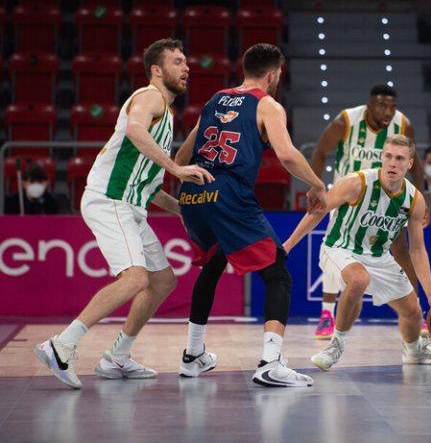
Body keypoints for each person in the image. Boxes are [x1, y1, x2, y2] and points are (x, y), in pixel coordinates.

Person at [34, 38, 214, 389]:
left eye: (186, 61)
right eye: (178, 62)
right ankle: (61, 346)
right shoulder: (150, 97)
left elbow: (146, 183)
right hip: (109, 199)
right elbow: (134, 130)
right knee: (134, 279)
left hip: (130, 204)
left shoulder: (167, 116)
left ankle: (117, 357)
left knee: (162, 281)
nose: (186, 67)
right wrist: (177, 170)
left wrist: (181, 210)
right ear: (157, 70)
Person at [175, 43, 328, 387]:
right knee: (278, 274)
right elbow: (287, 155)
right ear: (273, 74)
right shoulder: (267, 104)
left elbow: (184, 153)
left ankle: (193, 354)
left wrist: (184, 194)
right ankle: (270, 362)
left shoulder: (215, 99)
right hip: (229, 193)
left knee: (214, 264)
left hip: (194, 190)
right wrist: (318, 185)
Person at [283, 135, 431, 370]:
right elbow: (318, 211)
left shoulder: (414, 199)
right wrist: (288, 245)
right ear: (382, 157)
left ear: (410, 163)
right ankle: (335, 345)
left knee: (412, 310)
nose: (393, 163)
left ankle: (413, 351)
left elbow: (417, 249)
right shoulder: (356, 183)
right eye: (388, 156)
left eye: (400, 158)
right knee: (359, 279)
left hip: (378, 256)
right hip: (340, 247)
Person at [308, 85, 426, 339]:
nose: (388, 111)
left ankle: (416, 310)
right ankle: (327, 314)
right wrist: (317, 188)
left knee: (402, 250)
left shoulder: (403, 124)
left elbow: (416, 161)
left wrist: (421, 198)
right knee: (336, 246)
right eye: (382, 106)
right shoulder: (347, 120)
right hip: (348, 197)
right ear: (369, 105)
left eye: (392, 107)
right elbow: (319, 151)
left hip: (389, 198)